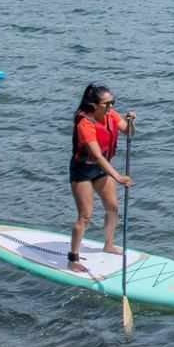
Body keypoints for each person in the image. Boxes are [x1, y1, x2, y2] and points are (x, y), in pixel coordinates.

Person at [68, 82, 135, 271]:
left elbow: (129, 132)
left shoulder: (110, 114)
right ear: (94, 105)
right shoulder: (84, 123)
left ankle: (108, 244)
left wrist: (131, 121)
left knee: (112, 207)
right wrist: (118, 177)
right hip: (82, 170)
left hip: (101, 169)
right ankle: (73, 258)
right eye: (107, 104)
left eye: (112, 102)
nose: (111, 106)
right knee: (86, 214)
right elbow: (97, 156)